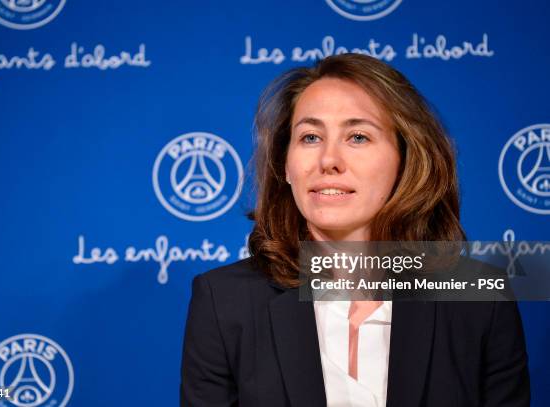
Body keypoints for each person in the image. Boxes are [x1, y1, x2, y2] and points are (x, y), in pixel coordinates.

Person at [180, 54, 530, 406]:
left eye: (358, 137)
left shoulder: (482, 300)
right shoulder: (223, 302)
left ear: (406, 160)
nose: (329, 160)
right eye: (310, 137)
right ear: (286, 164)